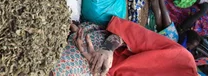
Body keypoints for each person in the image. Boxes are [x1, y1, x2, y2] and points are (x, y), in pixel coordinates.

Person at [53, 17, 199, 76]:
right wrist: (108, 50)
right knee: (59, 70)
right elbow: (124, 35)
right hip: (104, 50)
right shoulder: (182, 59)